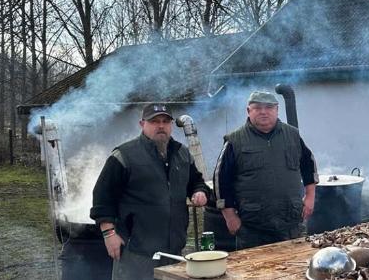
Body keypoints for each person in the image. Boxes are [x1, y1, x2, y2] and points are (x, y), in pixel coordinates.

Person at [90, 103, 209, 280]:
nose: (160, 126)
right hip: (136, 253)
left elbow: (196, 181)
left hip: (173, 252)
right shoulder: (124, 155)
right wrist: (109, 234)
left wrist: (199, 192)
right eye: (154, 121)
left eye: (165, 121)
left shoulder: (182, 154)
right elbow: (102, 197)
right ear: (142, 124)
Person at [213, 91, 319, 249]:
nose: (263, 111)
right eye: (257, 107)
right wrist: (229, 217)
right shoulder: (235, 140)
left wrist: (310, 197)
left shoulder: (293, 135)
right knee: (252, 272)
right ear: (249, 111)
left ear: (277, 109)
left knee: (293, 269)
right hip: (252, 228)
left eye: (269, 107)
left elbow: (308, 166)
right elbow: (221, 181)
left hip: (290, 224)